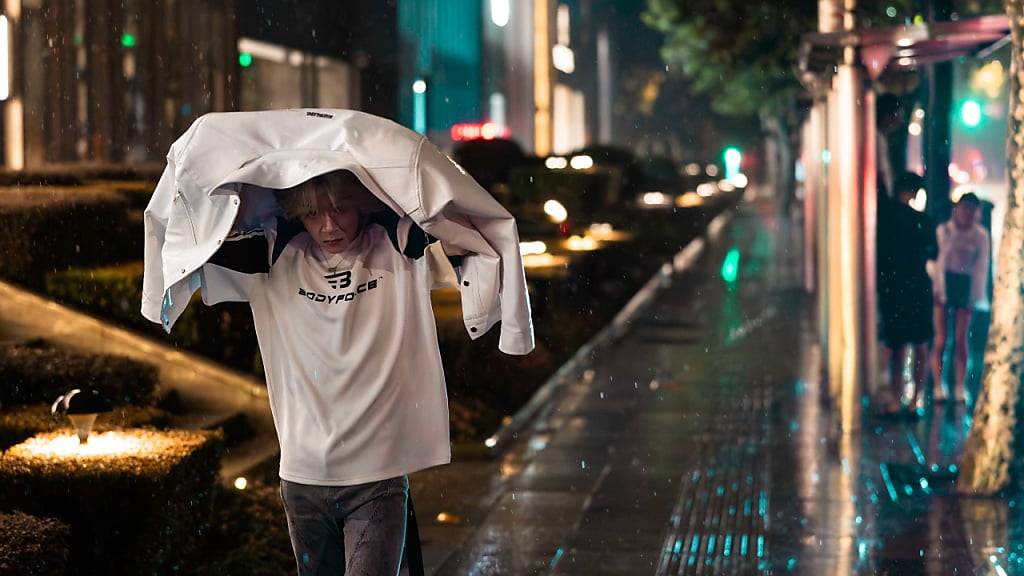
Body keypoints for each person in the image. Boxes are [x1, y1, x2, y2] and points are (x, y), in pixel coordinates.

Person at [876, 172, 937, 413]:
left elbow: (881, 257)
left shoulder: (887, 220)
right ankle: (916, 400)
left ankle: (895, 396)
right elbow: (933, 253)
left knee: (897, 344)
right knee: (920, 342)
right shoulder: (923, 221)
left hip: (894, 288)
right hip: (918, 287)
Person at [931, 192, 990, 404]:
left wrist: (976, 295)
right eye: (963, 208)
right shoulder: (944, 230)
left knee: (961, 339)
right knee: (941, 338)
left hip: (965, 285)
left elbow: (981, 267)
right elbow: (938, 262)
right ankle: (939, 385)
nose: (966, 213)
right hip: (944, 283)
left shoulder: (981, 236)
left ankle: (959, 386)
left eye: (971, 209)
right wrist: (938, 289)